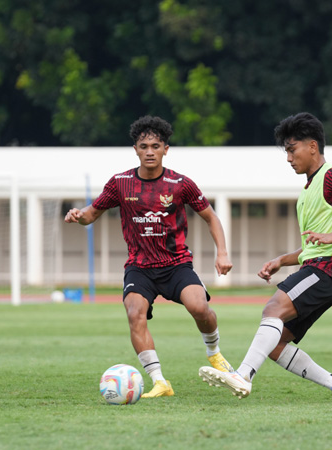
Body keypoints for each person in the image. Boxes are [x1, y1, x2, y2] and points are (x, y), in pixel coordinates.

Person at [199, 112, 332, 403]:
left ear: (312, 146)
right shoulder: (309, 191)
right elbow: (312, 245)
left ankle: (243, 375)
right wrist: (281, 261)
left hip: (327, 270)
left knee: (273, 308)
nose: (288, 158)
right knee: (276, 343)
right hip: (320, 270)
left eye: (291, 149)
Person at [65, 115, 234, 398]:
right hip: (139, 268)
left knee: (199, 309)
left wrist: (223, 253)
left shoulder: (181, 184)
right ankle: (159, 381)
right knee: (134, 313)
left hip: (177, 263)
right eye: (144, 146)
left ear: (166, 149)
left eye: (156, 145)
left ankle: (214, 353)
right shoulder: (120, 183)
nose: (150, 151)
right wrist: (79, 216)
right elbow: (91, 214)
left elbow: (210, 217)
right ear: (135, 149)